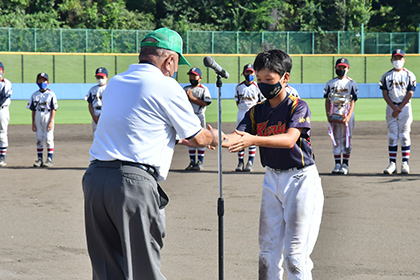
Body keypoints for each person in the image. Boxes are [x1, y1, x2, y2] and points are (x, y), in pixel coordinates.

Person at [82, 27, 221, 280]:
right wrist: (220, 137)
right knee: (144, 269)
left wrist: (176, 140)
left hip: (96, 179)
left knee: (107, 270)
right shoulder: (166, 85)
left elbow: (136, 128)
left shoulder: (116, 82)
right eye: (177, 63)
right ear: (169, 60)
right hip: (132, 185)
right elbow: (199, 137)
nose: (176, 69)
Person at [223, 49, 324, 280]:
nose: (263, 85)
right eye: (259, 80)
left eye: (269, 80)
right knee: (267, 254)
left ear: (284, 78)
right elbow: (237, 136)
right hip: (272, 178)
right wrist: (205, 137)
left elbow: (289, 140)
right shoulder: (257, 111)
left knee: (295, 256)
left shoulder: (297, 106)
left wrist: (253, 139)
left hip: (301, 180)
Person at [380, 49, 416, 174]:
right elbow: (385, 94)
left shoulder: (409, 75)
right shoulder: (386, 76)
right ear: (391, 60)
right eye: (395, 58)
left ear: (404, 60)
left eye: (400, 58)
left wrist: (399, 108)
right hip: (391, 106)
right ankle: (392, 163)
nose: (398, 61)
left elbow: (410, 93)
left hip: (405, 107)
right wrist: (394, 107)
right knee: (392, 135)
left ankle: (405, 163)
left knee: (405, 135)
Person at [323, 58, 358, 174]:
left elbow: (353, 101)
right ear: (335, 68)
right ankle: (337, 163)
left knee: (346, 138)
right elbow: (327, 100)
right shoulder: (330, 83)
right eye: (339, 67)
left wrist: (348, 116)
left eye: (344, 67)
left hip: (347, 113)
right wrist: (328, 114)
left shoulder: (351, 83)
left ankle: (345, 164)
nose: (341, 69)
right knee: (336, 138)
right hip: (334, 112)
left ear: (348, 68)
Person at [234, 63, 264, 172]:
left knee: (252, 136)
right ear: (243, 73)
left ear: (255, 74)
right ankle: (240, 162)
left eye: (251, 72)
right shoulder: (238, 87)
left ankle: (250, 162)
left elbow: (261, 101)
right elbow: (237, 102)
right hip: (241, 112)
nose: (249, 74)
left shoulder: (257, 87)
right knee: (239, 136)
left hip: (253, 113)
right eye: (247, 72)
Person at [183, 67, 212, 171]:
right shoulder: (185, 89)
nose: (192, 77)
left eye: (194, 75)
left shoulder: (203, 89)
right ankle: (192, 161)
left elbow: (206, 103)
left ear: (200, 78)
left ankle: (200, 161)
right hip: (188, 116)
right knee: (189, 138)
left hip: (199, 116)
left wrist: (192, 98)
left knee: (201, 138)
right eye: (190, 75)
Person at [27, 73, 58, 168]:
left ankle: (49, 159)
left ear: (48, 82)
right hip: (38, 115)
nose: (42, 82)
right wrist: (33, 123)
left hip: (47, 115)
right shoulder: (34, 95)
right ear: (36, 82)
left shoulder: (51, 94)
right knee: (39, 137)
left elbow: (54, 108)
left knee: (48, 138)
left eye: (44, 80)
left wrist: (51, 121)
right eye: (40, 80)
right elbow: (33, 109)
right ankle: (40, 159)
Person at [86, 67, 108, 134]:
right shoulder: (93, 89)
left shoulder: (109, 88)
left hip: (106, 113)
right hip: (95, 112)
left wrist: (102, 115)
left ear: (107, 77)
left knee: (106, 134)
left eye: (102, 77)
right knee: (96, 135)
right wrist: (94, 116)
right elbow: (90, 104)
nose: (100, 79)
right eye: (98, 77)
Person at [0, 62, 12, 167]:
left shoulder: (7, 83)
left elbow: (2, 97)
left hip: (2, 110)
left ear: (3, 72)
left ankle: (2, 157)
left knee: (2, 133)